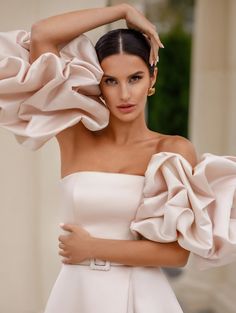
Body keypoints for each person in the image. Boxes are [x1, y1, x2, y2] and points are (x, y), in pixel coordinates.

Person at [0, 3, 236, 313]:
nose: (124, 94)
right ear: (99, 85)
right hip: (77, 295)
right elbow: (42, 36)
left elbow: (177, 255)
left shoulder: (173, 150)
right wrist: (122, 11)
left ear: (152, 78)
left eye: (135, 78)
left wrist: (92, 248)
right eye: (111, 81)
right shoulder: (75, 135)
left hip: (145, 297)